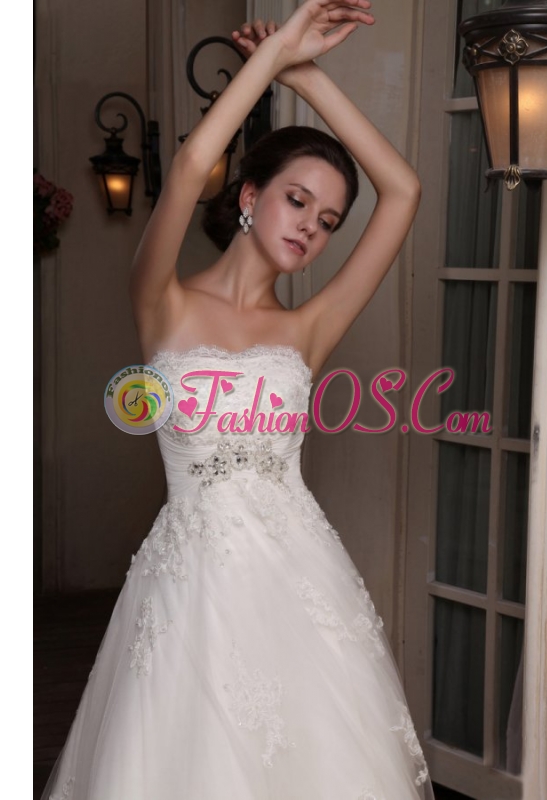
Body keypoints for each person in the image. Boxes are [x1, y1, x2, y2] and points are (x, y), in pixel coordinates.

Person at [42, 2, 431, 798]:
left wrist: (307, 77)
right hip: (191, 591)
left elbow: (403, 190)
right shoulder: (165, 304)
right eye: (297, 200)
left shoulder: (306, 330)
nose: (312, 228)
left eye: (329, 220)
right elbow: (190, 168)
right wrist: (272, 55)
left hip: (301, 583)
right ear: (249, 194)